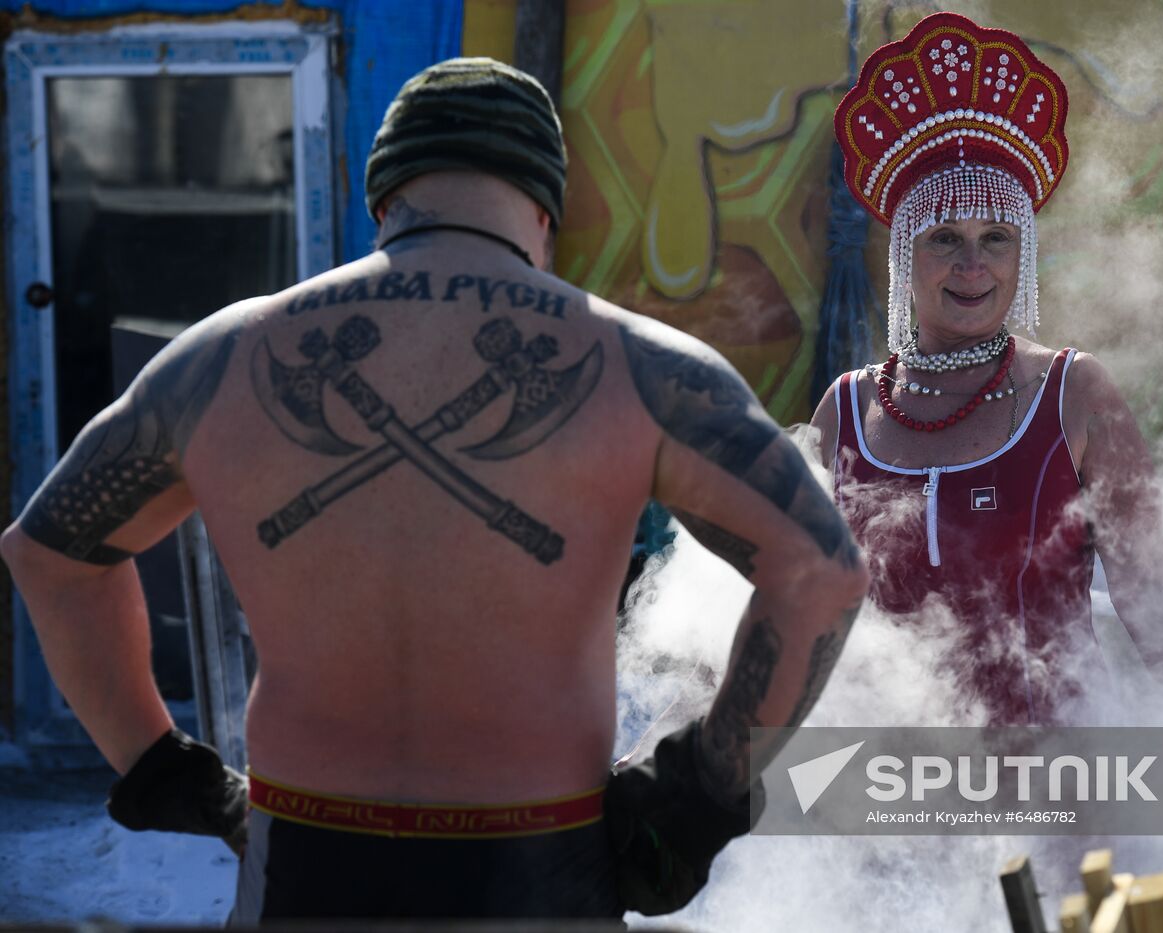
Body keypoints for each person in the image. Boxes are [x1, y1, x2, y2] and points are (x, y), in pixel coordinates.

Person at [2, 58, 868, 923]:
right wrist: (701, 798)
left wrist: (161, 768)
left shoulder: (221, 359)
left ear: (384, 201)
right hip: (539, 866)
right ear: (541, 212)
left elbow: (47, 552)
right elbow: (820, 572)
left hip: (303, 860)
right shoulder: (642, 368)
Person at [811, 13, 1163, 725]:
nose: (973, 264)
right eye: (944, 238)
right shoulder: (843, 411)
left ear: (1022, 255)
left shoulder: (1075, 395)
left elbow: (1162, 612)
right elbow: (790, 616)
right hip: (882, 808)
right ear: (903, 253)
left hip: (1061, 802)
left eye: (996, 237)